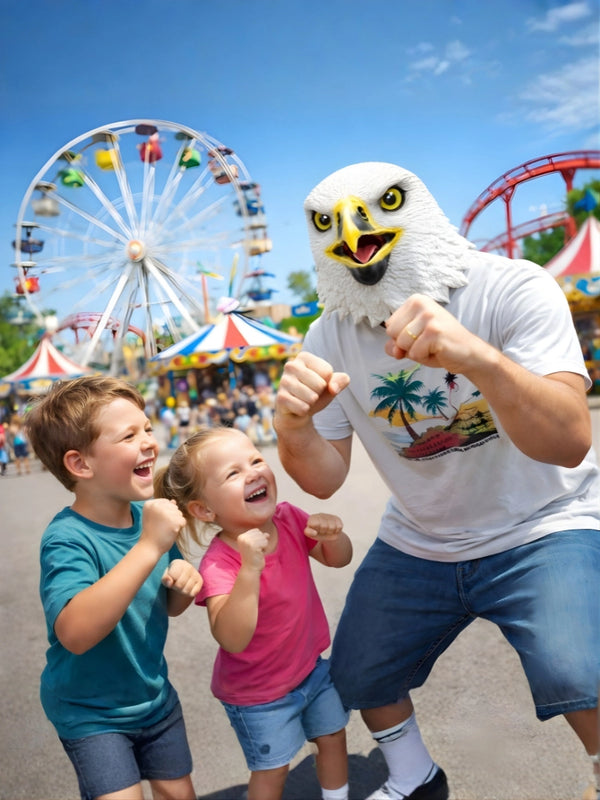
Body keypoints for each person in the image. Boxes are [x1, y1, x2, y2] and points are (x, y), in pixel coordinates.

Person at [274, 161, 600, 800]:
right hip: (420, 539)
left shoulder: (512, 287)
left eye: (383, 204)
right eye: (326, 223)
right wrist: (291, 427)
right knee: (360, 672)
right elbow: (323, 479)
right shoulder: (326, 334)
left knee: (579, 670)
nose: (352, 232)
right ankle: (414, 776)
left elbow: (568, 440)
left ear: (418, 206)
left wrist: (476, 357)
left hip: (542, 522)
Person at [25, 375, 201, 800]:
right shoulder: (68, 538)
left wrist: (183, 585)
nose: (149, 442)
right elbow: (76, 633)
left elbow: (169, 603)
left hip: (153, 698)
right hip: (91, 713)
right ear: (81, 465)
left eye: (146, 428)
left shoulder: (149, 515)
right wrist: (149, 546)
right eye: (128, 435)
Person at [154, 426, 352, 800]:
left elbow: (339, 560)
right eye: (232, 473)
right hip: (258, 694)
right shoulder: (221, 562)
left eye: (256, 460)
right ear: (204, 509)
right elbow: (231, 637)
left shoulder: (290, 518)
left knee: (332, 737)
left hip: (311, 669)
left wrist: (333, 536)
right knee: (273, 770)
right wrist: (249, 569)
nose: (253, 472)